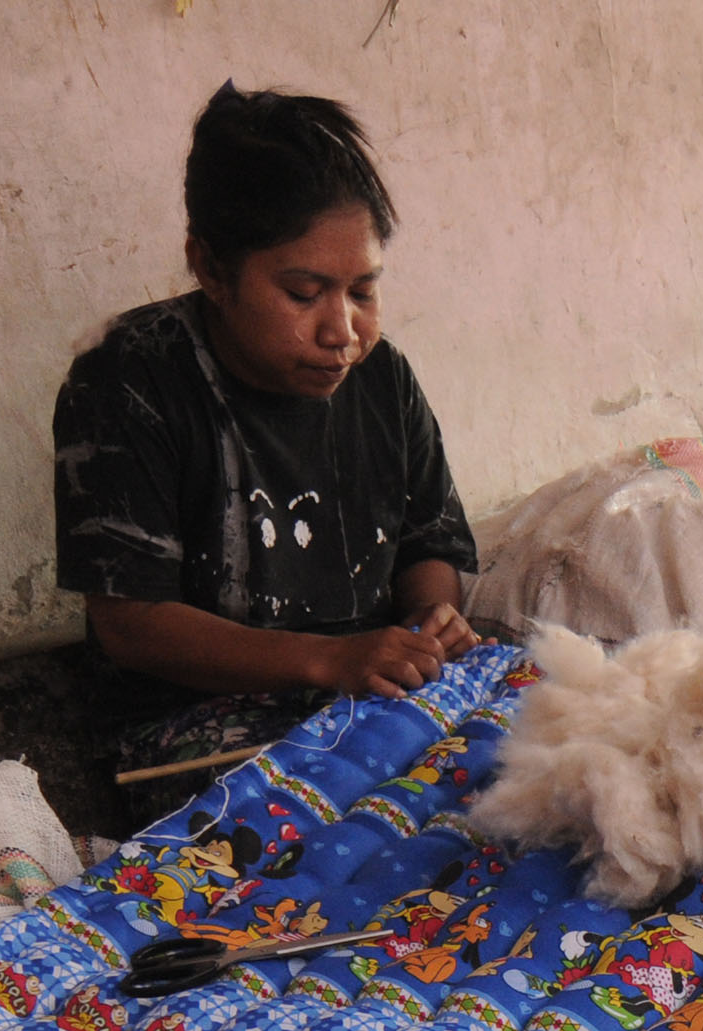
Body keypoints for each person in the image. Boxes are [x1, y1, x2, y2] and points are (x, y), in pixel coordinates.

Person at [53, 85, 479, 778]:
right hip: (196, 724)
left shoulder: (383, 377)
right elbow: (132, 623)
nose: (343, 331)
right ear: (211, 269)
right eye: (304, 294)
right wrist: (331, 659)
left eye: (363, 291)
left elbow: (427, 544)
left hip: (367, 693)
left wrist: (431, 623)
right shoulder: (128, 377)